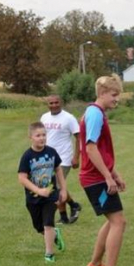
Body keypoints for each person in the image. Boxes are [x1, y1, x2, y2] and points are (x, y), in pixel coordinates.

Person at [79, 74, 130, 266]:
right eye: (114, 95)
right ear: (101, 93)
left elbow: (100, 149)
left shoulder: (97, 113)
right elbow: (90, 148)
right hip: (95, 178)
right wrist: (108, 177)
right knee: (118, 221)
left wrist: (114, 174)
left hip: (97, 176)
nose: (117, 99)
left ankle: (95, 264)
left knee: (112, 221)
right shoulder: (95, 114)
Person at [18, 122, 68, 263]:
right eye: (38, 135)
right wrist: (38, 190)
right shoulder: (27, 156)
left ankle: (49, 254)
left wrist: (63, 189)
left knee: (48, 223)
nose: (41, 138)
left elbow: (58, 169)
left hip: (50, 196)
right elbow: (22, 178)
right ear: (30, 137)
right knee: (39, 227)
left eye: (44, 135)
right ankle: (54, 235)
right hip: (33, 198)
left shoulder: (51, 152)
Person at [41, 95, 83, 224]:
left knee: (58, 187)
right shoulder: (44, 117)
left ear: (61, 103)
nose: (54, 105)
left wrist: (76, 157)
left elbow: (79, 137)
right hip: (48, 158)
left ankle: (73, 205)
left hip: (64, 158)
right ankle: (65, 215)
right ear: (48, 104)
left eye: (56, 102)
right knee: (55, 188)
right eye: (51, 103)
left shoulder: (69, 118)